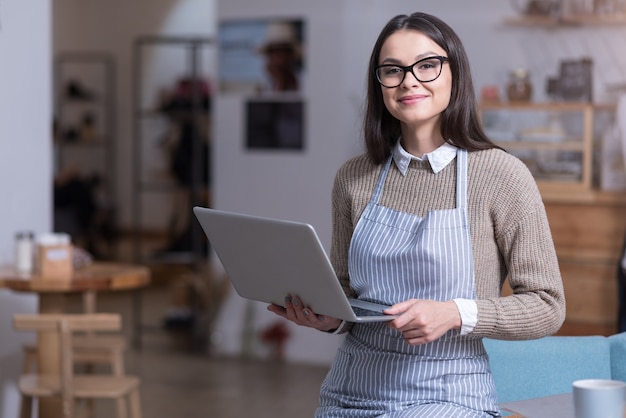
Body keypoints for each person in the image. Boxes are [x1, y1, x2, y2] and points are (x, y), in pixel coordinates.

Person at [268, 11, 565, 417]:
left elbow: (547, 306)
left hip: (449, 393)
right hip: (351, 388)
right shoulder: (354, 178)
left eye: (427, 65)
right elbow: (346, 296)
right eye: (392, 70)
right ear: (380, 85)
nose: (409, 80)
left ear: (454, 73)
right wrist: (327, 318)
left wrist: (454, 312)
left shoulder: (500, 175)